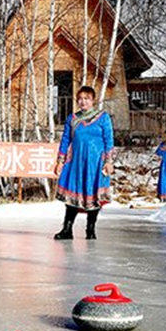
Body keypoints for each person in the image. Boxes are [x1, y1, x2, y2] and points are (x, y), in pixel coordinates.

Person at [53, 86, 114, 240]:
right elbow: (65, 140)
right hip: (76, 163)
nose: (82, 102)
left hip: (96, 163)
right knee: (72, 194)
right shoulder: (73, 119)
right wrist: (60, 161)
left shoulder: (103, 117)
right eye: (80, 99)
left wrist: (108, 161)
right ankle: (67, 229)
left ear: (93, 100)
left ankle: (90, 230)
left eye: (86, 98)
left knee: (93, 195)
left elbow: (109, 140)